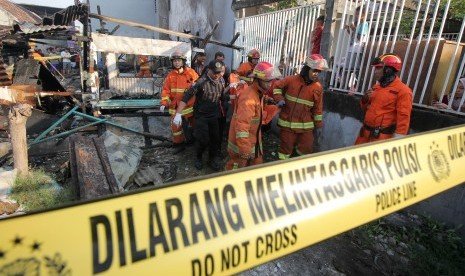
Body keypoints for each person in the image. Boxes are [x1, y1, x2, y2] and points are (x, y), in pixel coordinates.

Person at [272, 54, 328, 160]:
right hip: (287, 125)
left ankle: (297, 166)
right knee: (285, 150)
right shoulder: (291, 80)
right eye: (314, 70)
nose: (316, 74)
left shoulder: (318, 88)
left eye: (319, 71)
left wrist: (319, 126)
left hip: (305, 127)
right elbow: (276, 86)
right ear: (307, 69)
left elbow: (318, 108)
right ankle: (282, 168)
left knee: (306, 149)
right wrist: (279, 99)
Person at [173, 60, 226, 171]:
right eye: (215, 72)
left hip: (214, 116)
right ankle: (198, 158)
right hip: (201, 116)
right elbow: (185, 97)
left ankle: (211, 160)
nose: (217, 75)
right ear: (209, 70)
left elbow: (222, 98)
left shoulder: (221, 82)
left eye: (219, 72)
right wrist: (178, 114)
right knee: (203, 140)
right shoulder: (200, 83)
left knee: (215, 139)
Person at [225, 62, 278, 170]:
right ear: (257, 79)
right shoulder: (248, 98)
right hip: (242, 145)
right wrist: (244, 148)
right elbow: (241, 125)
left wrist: (267, 99)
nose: (269, 84)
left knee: (255, 170)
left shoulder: (259, 92)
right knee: (236, 172)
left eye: (271, 81)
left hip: (253, 141)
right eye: (267, 81)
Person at [354, 53, 412, 145]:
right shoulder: (376, 87)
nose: (375, 72)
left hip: (381, 139)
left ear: (388, 70)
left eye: (378, 68)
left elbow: (403, 119)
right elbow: (365, 109)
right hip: (364, 136)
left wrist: (397, 142)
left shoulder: (403, 91)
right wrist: (364, 99)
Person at [160, 50, 199, 154]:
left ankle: (196, 142)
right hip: (175, 107)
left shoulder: (191, 73)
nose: (177, 63)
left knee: (195, 125)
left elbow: (198, 86)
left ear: (183, 61)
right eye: (175, 61)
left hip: (190, 107)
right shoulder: (170, 76)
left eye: (179, 60)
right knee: (175, 127)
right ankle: (179, 144)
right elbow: (166, 91)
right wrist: (164, 103)